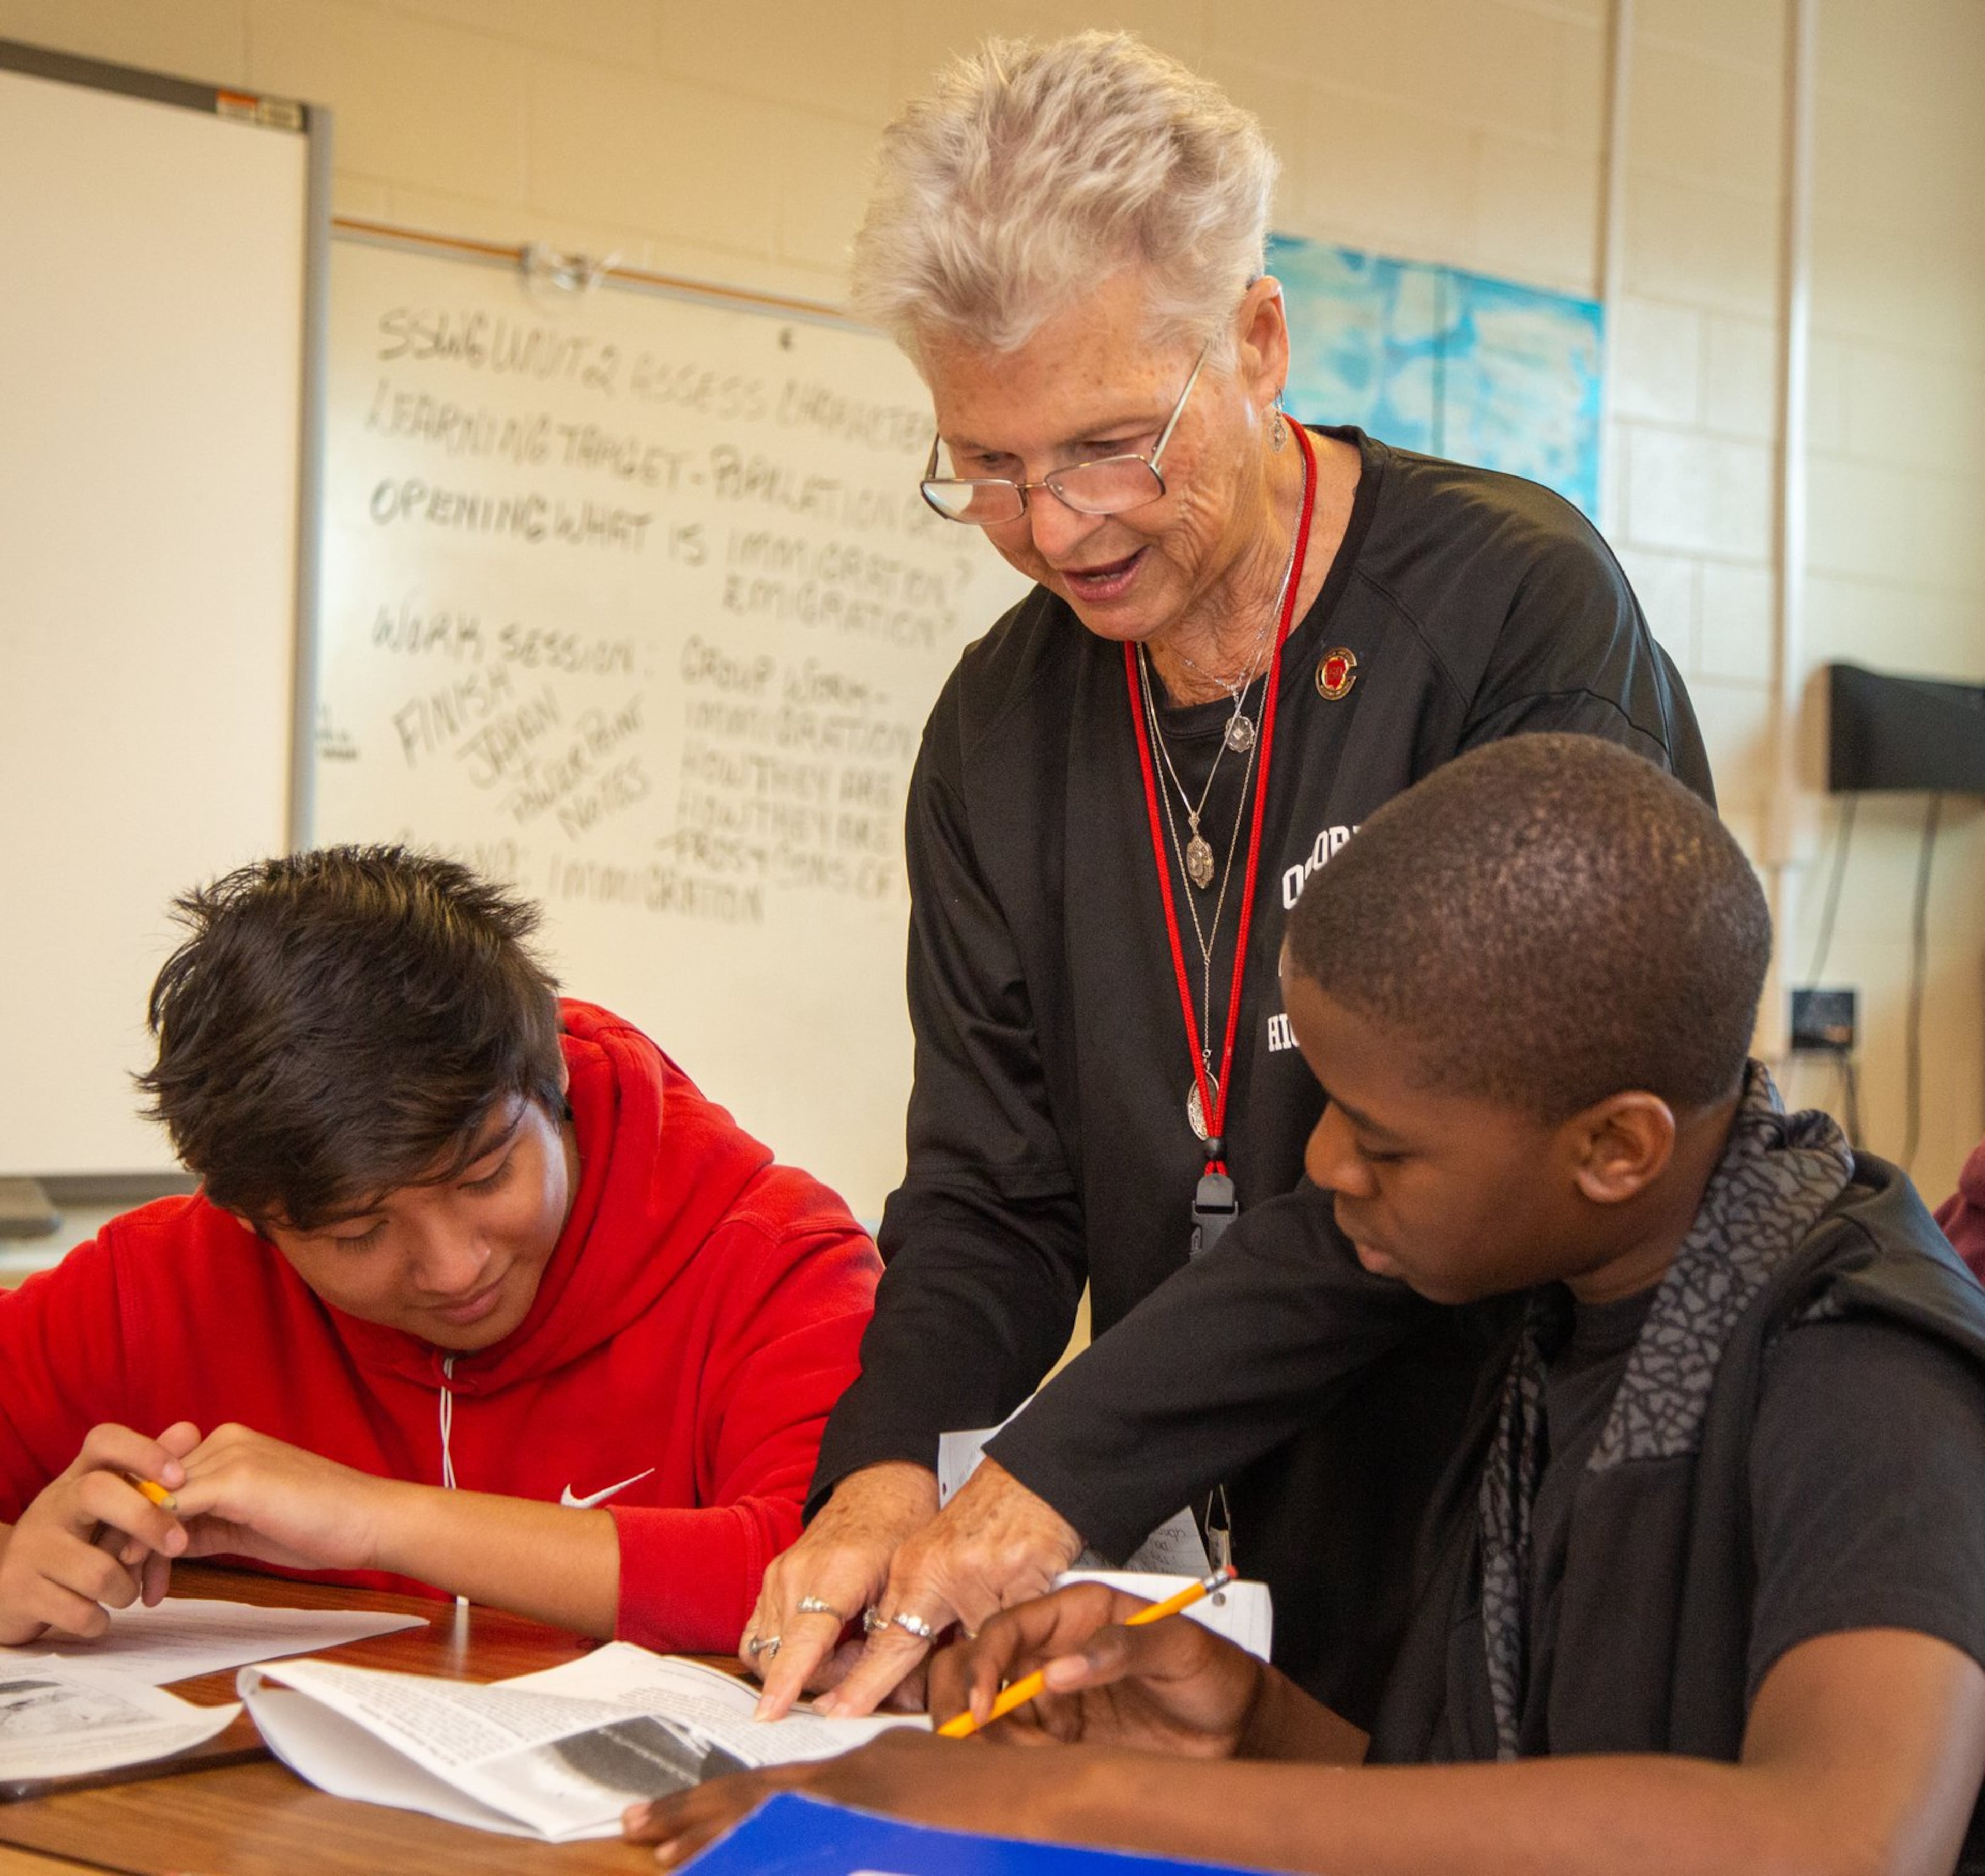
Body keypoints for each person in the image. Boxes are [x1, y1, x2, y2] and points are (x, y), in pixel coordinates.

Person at [752, 29, 1714, 1720]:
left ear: (1255, 344)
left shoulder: (1511, 617)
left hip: (1535, 1487)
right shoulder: (999, 725)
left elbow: (1470, 1167)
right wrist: (888, 1475)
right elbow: (991, 1186)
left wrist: (1052, 1477)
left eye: (1112, 441)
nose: (1056, 530)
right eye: (985, 463)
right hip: (1224, 1541)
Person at [629, 734, 1985, 1875]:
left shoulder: (1863, 1361)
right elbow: (1518, 1790)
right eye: (1329, 1107)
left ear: (1613, 1145)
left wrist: (1055, 1802)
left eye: (1385, 1143)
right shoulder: (1551, 1300)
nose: (1327, 1164)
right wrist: (1253, 1726)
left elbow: (1842, 1837)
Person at [0, 847, 879, 1653]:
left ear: (553, 1081)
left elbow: (839, 1576)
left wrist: (370, 1519)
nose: (456, 1267)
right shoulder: (159, 1283)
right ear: (252, 1221)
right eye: (360, 1233)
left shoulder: (775, 1260)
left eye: (486, 1174)